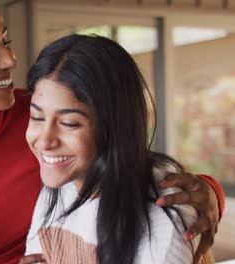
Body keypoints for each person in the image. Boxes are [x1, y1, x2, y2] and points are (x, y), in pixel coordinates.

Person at [0, 0, 224, 263]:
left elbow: (128, 162)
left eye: (5, 40)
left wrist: (208, 192)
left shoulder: (41, 113)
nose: (9, 59)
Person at [23, 34, 215, 264]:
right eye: (37, 116)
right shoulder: (59, 187)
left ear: (115, 124)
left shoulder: (164, 220)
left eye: (69, 123)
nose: (44, 141)